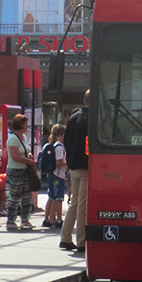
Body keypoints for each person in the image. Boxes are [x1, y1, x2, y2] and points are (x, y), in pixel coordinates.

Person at [60, 90, 90, 252]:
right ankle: (81, 241)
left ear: (84, 101)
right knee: (82, 205)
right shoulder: (93, 119)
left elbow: (67, 141)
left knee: (74, 202)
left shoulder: (72, 118)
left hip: (73, 165)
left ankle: (65, 237)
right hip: (86, 166)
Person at [6, 113, 38, 230]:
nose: (27, 125)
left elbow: (25, 150)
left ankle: (25, 220)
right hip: (15, 170)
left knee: (27, 196)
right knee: (15, 196)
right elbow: (14, 156)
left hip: (25, 170)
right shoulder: (13, 138)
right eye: (26, 123)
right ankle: (11, 220)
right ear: (21, 124)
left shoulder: (23, 137)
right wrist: (28, 161)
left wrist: (29, 155)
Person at [42, 124, 67, 228]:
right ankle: (59, 219)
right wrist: (68, 163)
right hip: (58, 176)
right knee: (58, 198)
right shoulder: (60, 147)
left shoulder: (54, 145)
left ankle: (47, 219)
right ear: (60, 135)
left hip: (52, 175)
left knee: (51, 197)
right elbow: (58, 162)